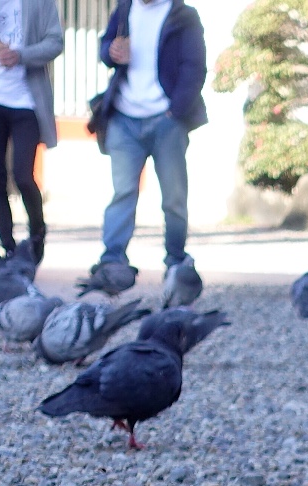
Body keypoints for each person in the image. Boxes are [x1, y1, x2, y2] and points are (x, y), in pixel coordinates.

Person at [93, 0, 206, 294]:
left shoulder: (184, 15)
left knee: (174, 196)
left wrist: (176, 110)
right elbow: (105, 47)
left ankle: (175, 259)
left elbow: (195, 67)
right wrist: (111, 52)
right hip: (123, 116)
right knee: (123, 192)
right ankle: (113, 260)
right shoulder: (125, 8)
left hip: (166, 120)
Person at [0, 0, 63, 264]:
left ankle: (37, 234)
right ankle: (9, 247)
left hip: (26, 102)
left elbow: (55, 42)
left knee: (23, 176)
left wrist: (21, 55)